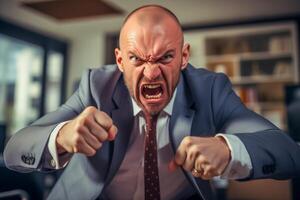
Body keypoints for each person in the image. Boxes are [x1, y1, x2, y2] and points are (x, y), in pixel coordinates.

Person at [4, 5, 300, 200]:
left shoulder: (210, 90)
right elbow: (14, 150)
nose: (151, 72)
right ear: (120, 60)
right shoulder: (96, 87)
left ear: (184, 57)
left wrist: (228, 148)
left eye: (165, 57)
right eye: (136, 59)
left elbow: (288, 153)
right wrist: (63, 135)